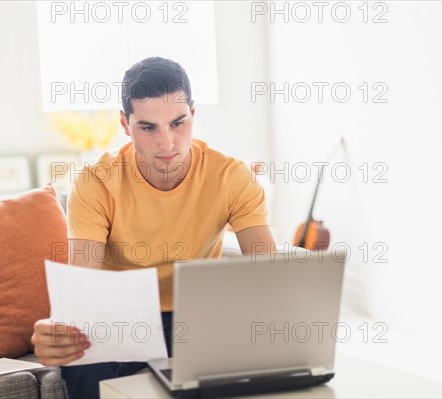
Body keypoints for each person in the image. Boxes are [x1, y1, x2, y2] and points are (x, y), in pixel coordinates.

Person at [32, 57, 276, 399]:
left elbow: (269, 273)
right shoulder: (96, 183)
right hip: (120, 320)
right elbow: (83, 286)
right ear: (125, 124)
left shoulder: (230, 177)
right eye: (148, 128)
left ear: (193, 112)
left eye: (178, 123)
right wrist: (59, 331)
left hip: (196, 315)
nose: (167, 144)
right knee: (82, 361)